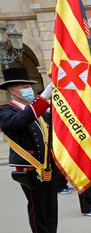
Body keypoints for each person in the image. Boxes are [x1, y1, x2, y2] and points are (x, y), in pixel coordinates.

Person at [0, 67, 57, 233]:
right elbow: (20, 120)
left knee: (51, 209)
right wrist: (43, 98)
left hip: (48, 166)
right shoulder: (6, 110)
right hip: (31, 168)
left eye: (29, 86)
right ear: (13, 90)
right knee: (38, 210)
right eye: (24, 87)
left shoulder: (37, 111)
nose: (29, 90)